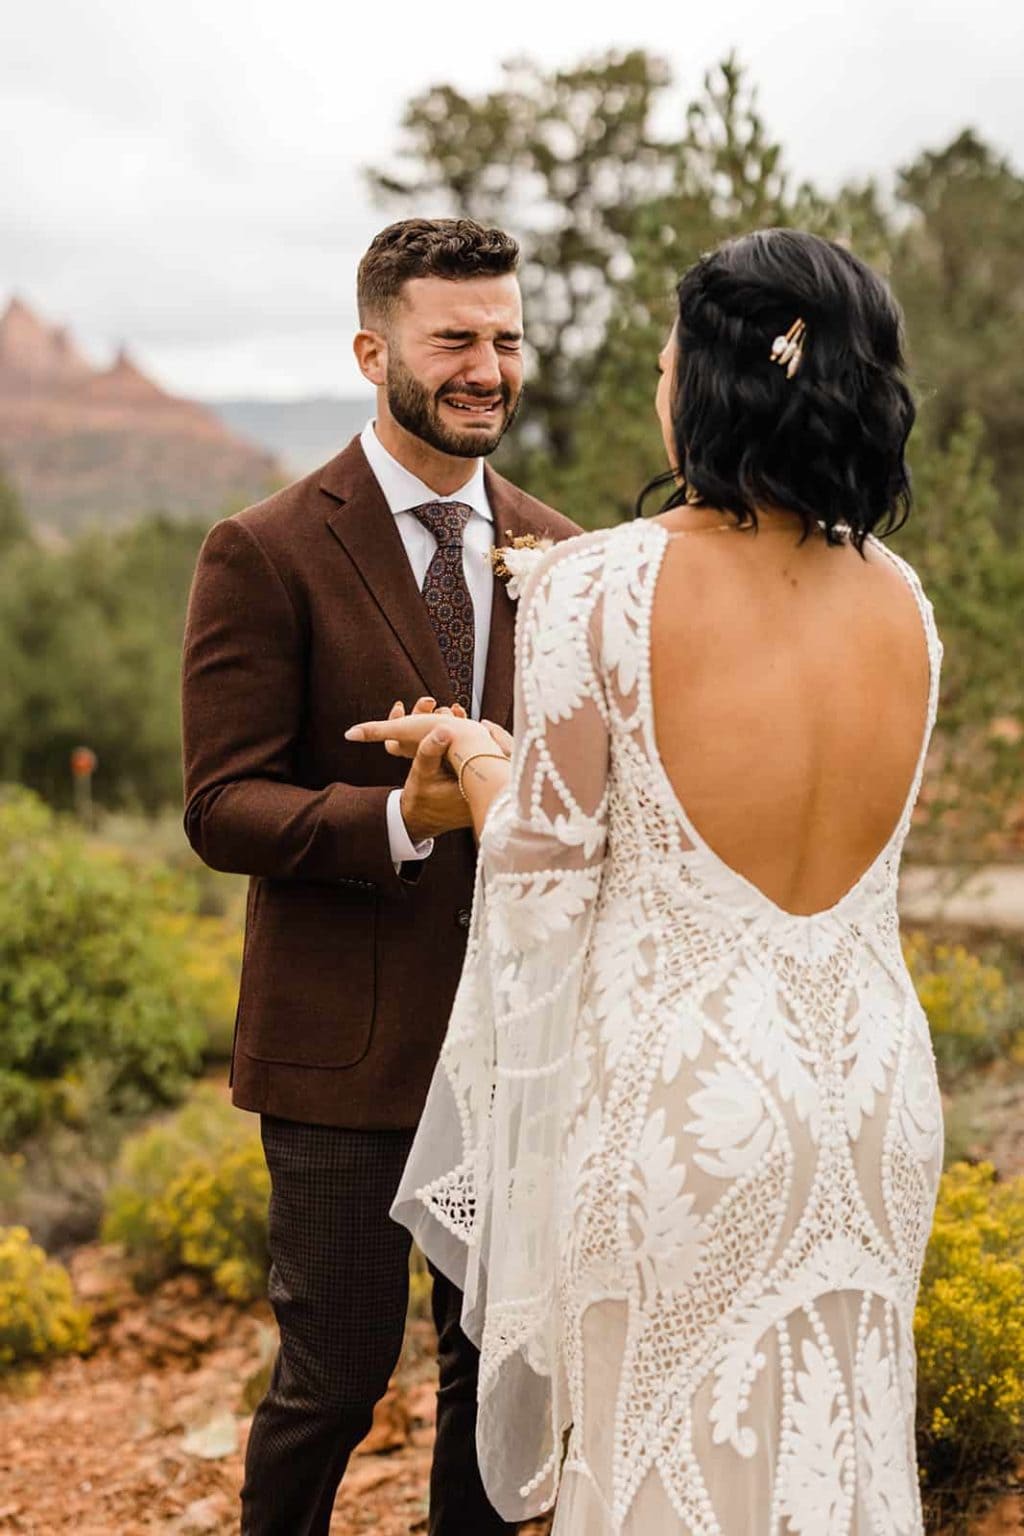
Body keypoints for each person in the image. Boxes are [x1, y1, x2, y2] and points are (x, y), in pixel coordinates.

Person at [348, 228, 944, 1534]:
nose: (661, 380)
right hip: (872, 1098)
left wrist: (478, 756)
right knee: (834, 1460)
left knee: (667, 1461)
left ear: (711, 385)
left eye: (670, 360)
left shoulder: (601, 584)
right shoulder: (904, 601)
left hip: (687, 1109)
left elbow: (539, 874)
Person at [180, 217, 579, 1536]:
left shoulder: (566, 556)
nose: (488, 369)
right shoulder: (266, 548)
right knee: (335, 1381)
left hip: (519, 1051)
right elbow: (221, 805)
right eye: (454, 339)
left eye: (506, 340)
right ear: (372, 353)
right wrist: (403, 816)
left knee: (495, 1382)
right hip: (342, 1058)